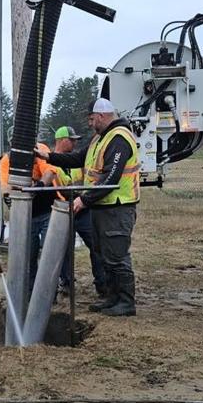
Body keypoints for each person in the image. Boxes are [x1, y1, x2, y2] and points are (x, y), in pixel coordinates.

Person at [39, 99, 140, 317]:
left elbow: (111, 177)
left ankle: (125, 302)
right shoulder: (99, 139)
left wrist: (83, 200)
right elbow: (77, 158)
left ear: (102, 116)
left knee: (116, 256)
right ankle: (111, 298)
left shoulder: (119, 138)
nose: (90, 123)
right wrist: (47, 156)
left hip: (118, 207)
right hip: (102, 206)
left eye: (92, 119)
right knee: (103, 254)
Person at [50, 125, 106, 298]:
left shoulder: (78, 161)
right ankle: (66, 282)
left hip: (82, 208)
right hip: (62, 210)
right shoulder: (50, 162)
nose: (75, 144)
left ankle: (102, 283)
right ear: (62, 140)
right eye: (72, 140)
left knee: (96, 246)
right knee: (64, 249)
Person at [0, 140, 58, 289]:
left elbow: (50, 172)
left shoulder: (39, 150)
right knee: (29, 255)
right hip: (27, 214)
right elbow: (6, 186)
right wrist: (10, 197)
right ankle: (31, 290)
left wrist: (39, 186)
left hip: (47, 209)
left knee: (49, 251)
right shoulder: (7, 160)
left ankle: (50, 290)